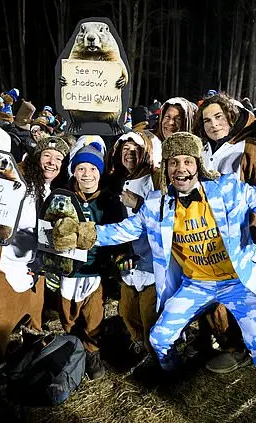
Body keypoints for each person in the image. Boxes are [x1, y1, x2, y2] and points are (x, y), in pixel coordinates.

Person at [52, 132, 256, 422]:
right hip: (195, 284)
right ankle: (173, 376)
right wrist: (80, 234)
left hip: (237, 283)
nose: (180, 168)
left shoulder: (227, 189)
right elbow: (120, 231)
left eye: (187, 161)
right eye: (173, 162)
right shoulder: (157, 205)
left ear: (198, 165)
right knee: (159, 338)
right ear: (166, 168)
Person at [0, 136, 69, 405]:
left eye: (59, 159)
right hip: (2, 263)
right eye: (48, 156)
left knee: (34, 321)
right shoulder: (13, 180)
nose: (53, 163)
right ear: (37, 157)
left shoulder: (51, 192)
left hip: (32, 268)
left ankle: (28, 368)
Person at [193, 92, 256, 373]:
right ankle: (219, 338)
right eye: (207, 120)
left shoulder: (252, 149)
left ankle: (238, 347)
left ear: (231, 116)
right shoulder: (203, 149)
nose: (214, 124)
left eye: (219, 117)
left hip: (240, 239)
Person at [56, 142, 126, 380]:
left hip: (94, 270)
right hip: (68, 269)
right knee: (67, 313)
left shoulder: (110, 201)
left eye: (92, 169)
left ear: (100, 172)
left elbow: (120, 234)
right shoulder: (62, 197)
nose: (87, 174)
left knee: (94, 314)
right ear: (73, 171)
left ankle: (92, 351)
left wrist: (118, 257)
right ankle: (71, 344)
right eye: (81, 168)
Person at [107, 131, 161, 364]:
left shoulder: (154, 180)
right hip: (127, 259)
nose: (129, 155)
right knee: (127, 309)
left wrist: (139, 204)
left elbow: (164, 218)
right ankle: (137, 339)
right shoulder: (115, 180)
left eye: (135, 151)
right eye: (125, 151)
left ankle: (155, 353)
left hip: (150, 260)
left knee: (149, 311)